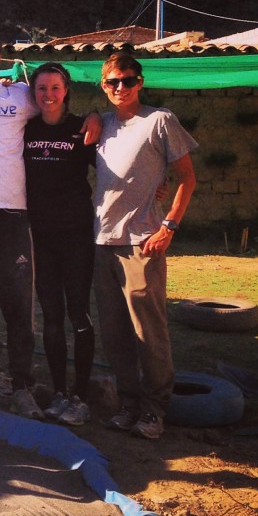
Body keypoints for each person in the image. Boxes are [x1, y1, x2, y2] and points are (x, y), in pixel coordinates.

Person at [94, 52, 197, 441]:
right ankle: (128, 403)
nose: (120, 88)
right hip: (102, 240)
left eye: (127, 80)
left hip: (142, 242)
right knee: (115, 331)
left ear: (140, 82)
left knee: (147, 330)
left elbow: (187, 178)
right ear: (103, 86)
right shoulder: (100, 124)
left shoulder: (159, 120)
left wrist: (168, 226)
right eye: (112, 82)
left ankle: (155, 410)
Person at [23, 63, 97, 426]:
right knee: (51, 317)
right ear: (32, 93)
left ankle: (81, 396)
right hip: (41, 237)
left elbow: (117, 168)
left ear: (66, 91)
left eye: (55, 88)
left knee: (78, 313)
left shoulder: (81, 129)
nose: (48, 95)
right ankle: (59, 393)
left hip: (77, 236)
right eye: (41, 89)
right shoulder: (27, 129)